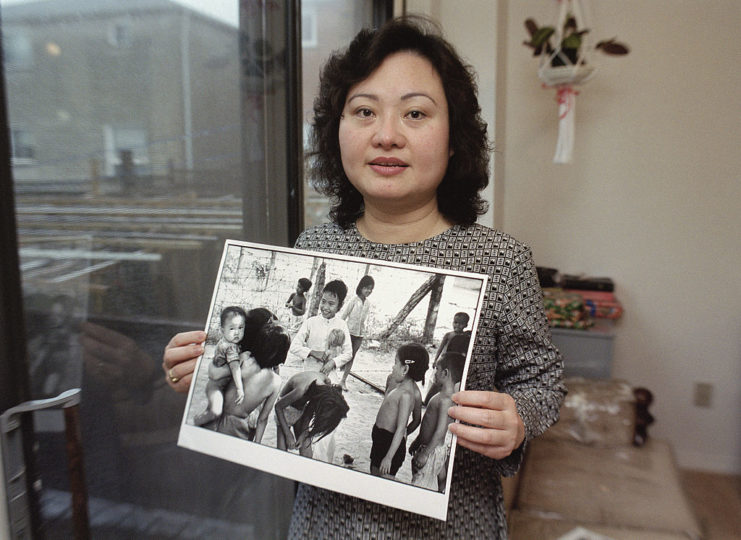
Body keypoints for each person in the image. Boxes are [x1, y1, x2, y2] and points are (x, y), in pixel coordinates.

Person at [163, 16, 565, 538]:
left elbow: (542, 379)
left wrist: (518, 417)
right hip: (324, 524)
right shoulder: (313, 246)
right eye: (364, 111)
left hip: (454, 525)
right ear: (337, 131)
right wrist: (198, 373)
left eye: (416, 113)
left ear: (454, 136)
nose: (387, 134)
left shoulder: (501, 259)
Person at [201, 312, 291, 443]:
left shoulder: (245, 357)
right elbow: (262, 419)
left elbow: (218, 378)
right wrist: (257, 443)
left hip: (217, 414)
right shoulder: (276, 382)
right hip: (239, 427)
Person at [409, 351, 465, 492]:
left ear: (445, 373)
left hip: (431, 451)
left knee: (420, 485)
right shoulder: (442, 397)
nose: (434, 372)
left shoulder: (445, 400)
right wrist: (418, 441)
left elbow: (440, 431)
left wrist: (426, 453)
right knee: (430, 476)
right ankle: (442, 489)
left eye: (437, 369)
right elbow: (429, 425)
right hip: (430, 447)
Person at [370, 342, 428, 478]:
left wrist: (389, 456)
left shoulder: (407, 395)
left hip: (390, 443)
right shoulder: (398, 385)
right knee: (374, 472)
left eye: (395, 362)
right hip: (381, 437)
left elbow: (402, 427)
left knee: (384, 479)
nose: (392, 366)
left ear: (405, 369)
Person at [274, 370, 349, 462]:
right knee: (281, 455)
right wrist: (288, 434)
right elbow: (278, 407)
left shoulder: (326, 385)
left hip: (301, 411)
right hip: (285, 411)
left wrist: (303, 434)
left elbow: (310, 410)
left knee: (307, 455)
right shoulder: (301, 390)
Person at [193, 306, 247, 426]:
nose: (237, 332)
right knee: (215, 412)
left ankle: (203, 422)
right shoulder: (230, 347)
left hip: (217, 384)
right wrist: (240, 388)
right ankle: (195, 423)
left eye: (241, 328)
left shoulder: (226, 341)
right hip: (216, 386)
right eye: (232, 328)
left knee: (212, 411)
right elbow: (235, 368)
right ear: (222, 331)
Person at [288, 279, 352, 374]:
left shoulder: (342, 325)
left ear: (340, 306)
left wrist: (333, 362)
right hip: (309, 373)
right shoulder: (310, 322)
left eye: (331, 304)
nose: (325, 307)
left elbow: (348, 353)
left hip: (329, 375)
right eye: (323, 301)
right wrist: (312, 352)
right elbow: (294, 347)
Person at [424, 311, 471, 405]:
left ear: (465, 325)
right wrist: (436, 360)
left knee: (448, 382)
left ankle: (441, 400)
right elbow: (441, 348)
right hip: (443, 360)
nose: (457, 325)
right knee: (436, 380)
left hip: (453, 363)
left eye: (460, 323)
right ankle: (427, 400)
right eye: (455, 322)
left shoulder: (466, 337)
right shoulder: (449, 335)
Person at [338, 274, 374, 390]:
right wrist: (339, 330)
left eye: (371, 288)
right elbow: (344, 315)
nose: (368, 290)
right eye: (366, 287)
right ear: (361, 287)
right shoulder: (353, 300)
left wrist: (366, 333)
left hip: (360, 335)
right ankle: (333, 375)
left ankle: (343, 380)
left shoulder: (368, 303)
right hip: (349, 332)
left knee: (352, 357)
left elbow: (366, 320)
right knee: (344, 354)